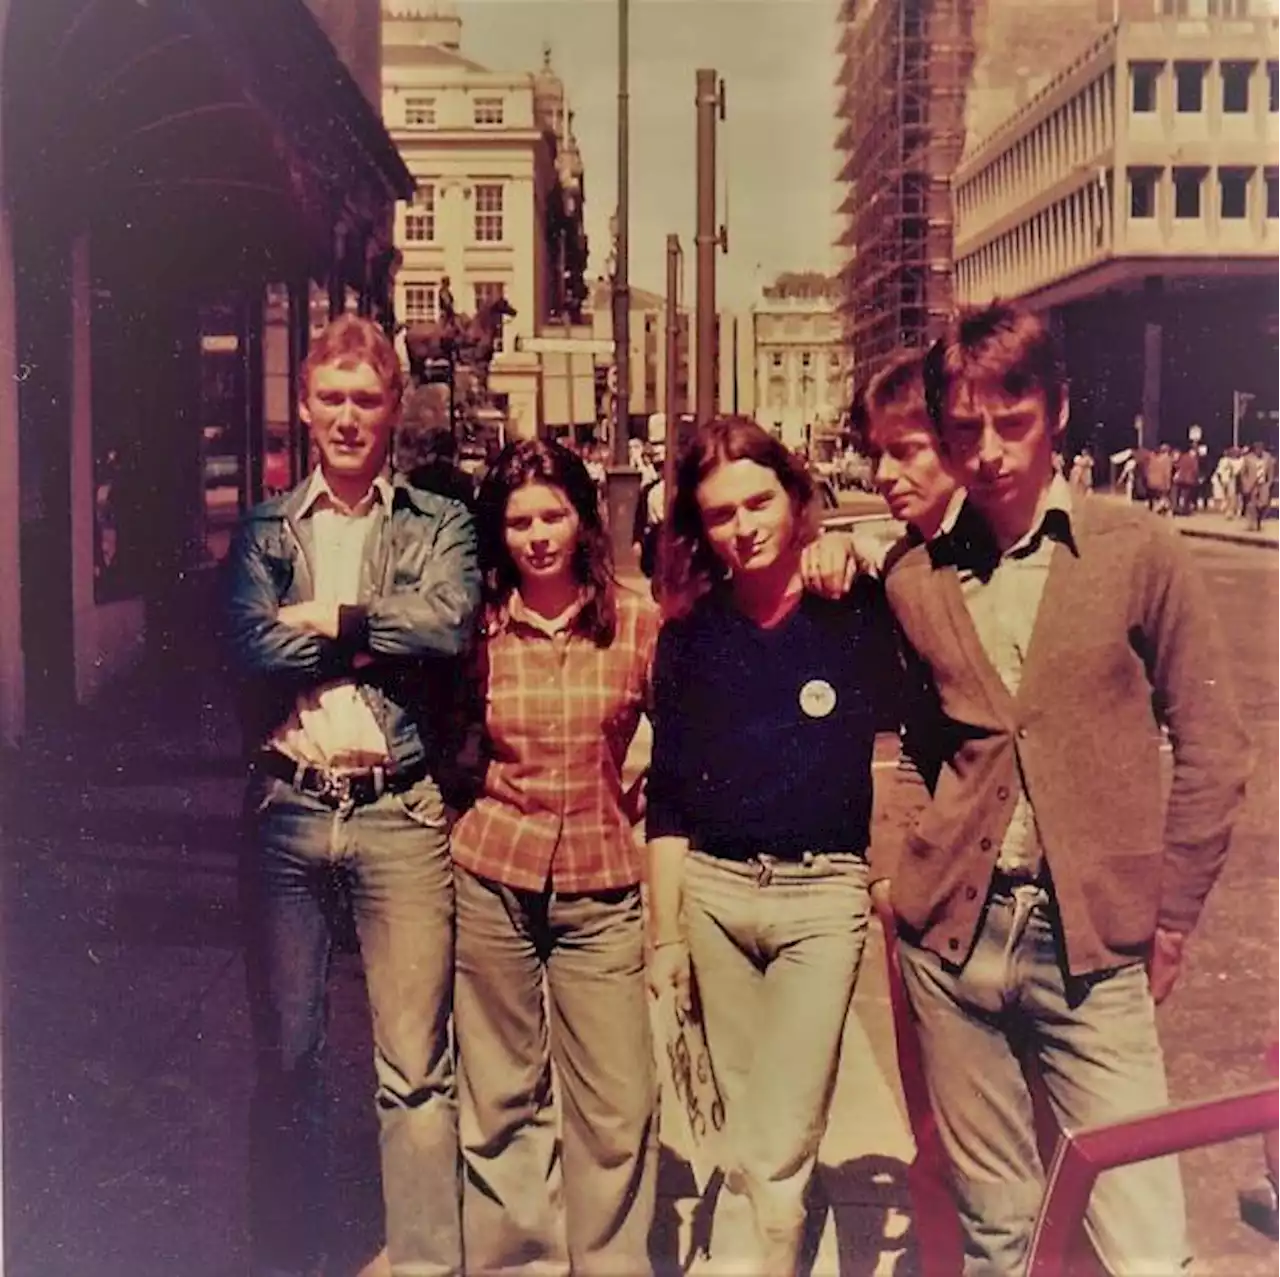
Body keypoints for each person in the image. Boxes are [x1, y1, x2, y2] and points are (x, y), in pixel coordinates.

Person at [875, 302, 1253, 1276]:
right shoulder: (914, 576)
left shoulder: (1133, 547)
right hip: (951, 947)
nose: (990, 450)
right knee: (996, 1229)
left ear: (1055, 409)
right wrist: (903, 867)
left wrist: (1166, 916)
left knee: (1142, 1236)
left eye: (1013, 421)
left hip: (1089, 945)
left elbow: (1210, 740)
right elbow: (919, 745)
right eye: (964, 430)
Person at [223, 315, 480, 1277]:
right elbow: (248, 642)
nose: (346, 416)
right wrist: (378, 636)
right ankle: (295, 1254)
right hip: (287, 810)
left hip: (396, 810)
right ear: (303, 405)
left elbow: (448, 622)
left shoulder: (438, 520)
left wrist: (331, 617)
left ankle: (420, 1263)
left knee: (414, 1068)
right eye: (330, 397)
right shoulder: (264, 526)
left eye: (365, 399)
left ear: (393, 409)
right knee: (288, 1058)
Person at [645, 416, 907, 1275]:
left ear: (796, 496)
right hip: (717, 896)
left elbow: (938, 560)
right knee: (753, 1130)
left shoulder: (853, 607)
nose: (744, 525)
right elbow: (670, 797)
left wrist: (866, 543)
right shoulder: (692, 633)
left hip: (822, 899)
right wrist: (667, 937)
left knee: (776, 1139)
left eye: (759, 501)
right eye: (721, 514)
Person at [449, 440, 660, 1276]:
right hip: (493, 873)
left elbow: (688, 740)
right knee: (501, 1096)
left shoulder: (637, 623)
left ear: (583, 520)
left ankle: (609, 1261)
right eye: (517, 520)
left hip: (601, 885)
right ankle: (519, 1263)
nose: (537, 536)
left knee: (616, 1101)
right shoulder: (475, 627)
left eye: (552, 515)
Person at [1240, 440, 1275, 532]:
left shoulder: (1267, 457)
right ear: (1254, 449)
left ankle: (1259, 520)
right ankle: (1253, 523)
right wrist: (1245, 483)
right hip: (1252, 484)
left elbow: (1271, 471)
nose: (1259, 450)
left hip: (1263, 484)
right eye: (1257, 448)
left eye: (1261, 448)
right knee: (1252, 504)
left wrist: (1269, 483)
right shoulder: (1248, 458)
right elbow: (1243, 473)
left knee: (1263, 504)